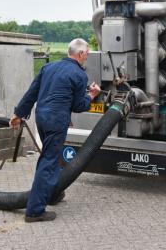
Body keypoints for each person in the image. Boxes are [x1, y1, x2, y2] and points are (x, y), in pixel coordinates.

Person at [10, 38, 101, 223]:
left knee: (49, 158)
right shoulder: (79, 74)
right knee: (49, 162)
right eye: (87, 54)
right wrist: (91, 95)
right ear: (80, 54)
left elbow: (31, 93)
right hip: (56, 122)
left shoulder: (48, 68)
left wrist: (18, 114)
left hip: (42, 120)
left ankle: (52, 194)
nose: (87, 58)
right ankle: (34, 211)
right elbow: (78, 106)